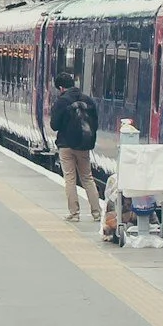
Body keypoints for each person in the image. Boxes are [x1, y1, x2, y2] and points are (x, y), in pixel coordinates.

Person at [50, 71, 101, 222]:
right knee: (87, 178)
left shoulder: (61, 102)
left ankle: (74, 213)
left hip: (65, 145)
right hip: (84, 145)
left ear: (61, 88)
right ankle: (97, 213)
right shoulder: (88, 100)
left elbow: (54, 125)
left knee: (70, 178)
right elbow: (95, 124)